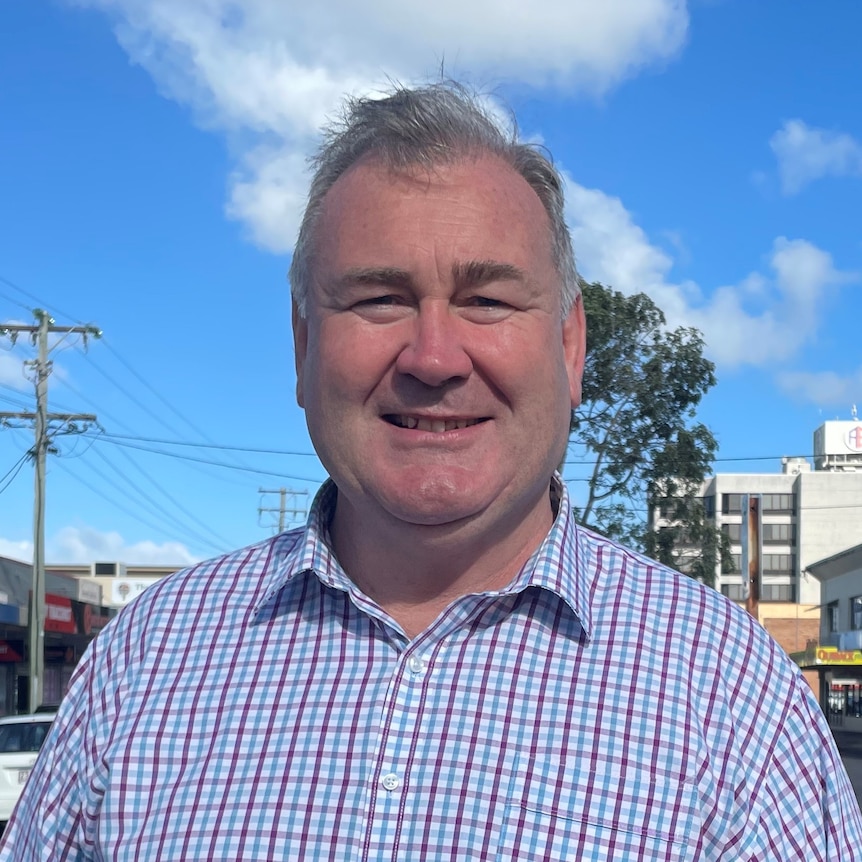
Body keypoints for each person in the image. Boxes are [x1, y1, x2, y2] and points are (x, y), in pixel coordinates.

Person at [2, 83, 860, 862]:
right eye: (379, 298)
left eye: (488, 300)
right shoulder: (146, 662)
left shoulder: (731, 695)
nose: (435, 357)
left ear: (570, 347)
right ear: (303, 346)